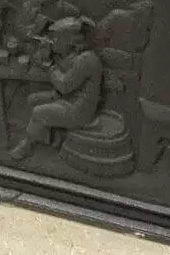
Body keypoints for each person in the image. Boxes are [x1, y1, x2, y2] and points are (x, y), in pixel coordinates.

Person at [11, 16, 102, 161]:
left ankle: (26, 146)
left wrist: (50, 67)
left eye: (57, 38)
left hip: (79, 110)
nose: (54, 41)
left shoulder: (85, 59)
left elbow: (64, 85)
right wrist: (45, 57)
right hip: (68, 99)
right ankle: (51, 139)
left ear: (70, 41)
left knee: (38, 112)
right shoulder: (75, 55)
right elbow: (64, 68)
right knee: (32, 99)